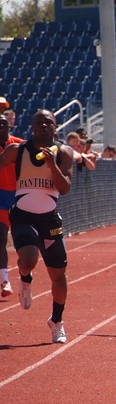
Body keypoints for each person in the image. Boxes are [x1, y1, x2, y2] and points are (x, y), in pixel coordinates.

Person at [0, 110, 73, 343]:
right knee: (29, 257)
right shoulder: (17, 150)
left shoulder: (63, 153)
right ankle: (25, 276)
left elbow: (64, 188)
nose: (43, 126)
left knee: (59, 277)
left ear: (55, 127)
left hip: (49, 219)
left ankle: (57, 321)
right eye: (39, 122)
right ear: (31, 126)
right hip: (23, 215)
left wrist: (53, 165)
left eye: (48, 123)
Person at [0, 115, 23, 298]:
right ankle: (5, 280)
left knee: (22, 240)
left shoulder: (19, 145)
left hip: (18, 196)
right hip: (0, 196)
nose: (0, 126)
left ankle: (25, 277)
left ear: (10, 126)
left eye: (4, 124)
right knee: (0, 239)